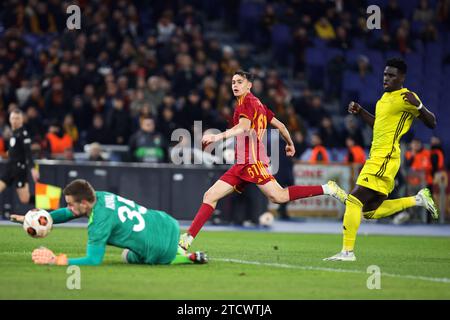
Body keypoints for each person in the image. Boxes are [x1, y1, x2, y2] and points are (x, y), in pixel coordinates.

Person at [179, 70, 348, 250]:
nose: (235, 85)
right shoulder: (258, 105)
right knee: (210, 195)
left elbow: (243, 127)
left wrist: (217, 137)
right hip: (241, 164)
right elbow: (281, 125)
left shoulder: (247, 104)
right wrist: (290, 143)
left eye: (239, 82)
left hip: (253, 162)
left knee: (279, 196)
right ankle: (186, 240)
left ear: (249, 85)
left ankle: (328, 188)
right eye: (233, 82)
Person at [324, 58, 439, 262]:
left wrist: (419, 105)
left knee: (353, 200)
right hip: (377, 156)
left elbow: (432, 122)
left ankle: (347, 252)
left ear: (402, 77)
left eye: (392, 75)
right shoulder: (383, 99)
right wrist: (361, 112)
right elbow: (379, 126)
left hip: (385, 157)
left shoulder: (407, 97)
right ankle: (418, 199)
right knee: (369, 212)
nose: (386, 78)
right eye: (385, 74)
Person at [10, 179, 207, 266]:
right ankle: (184, 253)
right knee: (145, 242)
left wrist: (58, 260)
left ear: (84, 202)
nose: (68, 208)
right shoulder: (101, 196)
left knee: (126, 255)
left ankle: (182, 258)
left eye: (70, 204)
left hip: (156, 250)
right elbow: (71, 214)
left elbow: (93, 261)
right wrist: (41, 219)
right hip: (168, 223)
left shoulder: (98, 224)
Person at [0, 109, 39, 208]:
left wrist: (32, 168)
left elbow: (28, 153)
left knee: (25, 199)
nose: (15, 120)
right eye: (13, 118)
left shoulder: (23, 134)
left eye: (17, 118)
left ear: (22, 120)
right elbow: (15, 151)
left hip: (19, 170)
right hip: (9, 168)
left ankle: (51, 201)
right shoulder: (13, 133)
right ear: (9, 119)